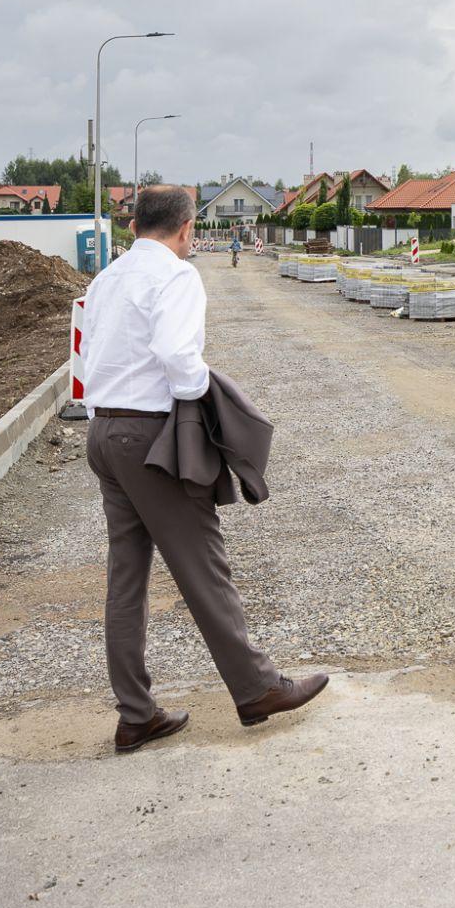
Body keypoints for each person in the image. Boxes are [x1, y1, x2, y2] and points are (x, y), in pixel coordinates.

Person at [80, 185, 326, 751]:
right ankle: (258, 689)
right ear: (188, 229)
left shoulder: (107, 278)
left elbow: (90, 353)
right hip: (148, 435)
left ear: (137, 224)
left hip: (104, 432)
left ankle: (136, 714)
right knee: (203, 563)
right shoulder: (176, 276)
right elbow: (176, 356)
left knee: (127, 577)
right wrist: (200, 392)